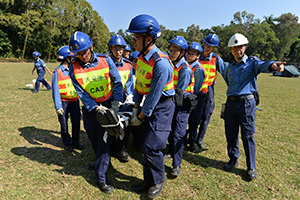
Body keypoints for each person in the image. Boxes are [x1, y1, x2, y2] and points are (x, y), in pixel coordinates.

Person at [217, 33, 285, 180]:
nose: (237, 50)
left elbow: (265, 65)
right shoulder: (230, 67)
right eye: (234, 48)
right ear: (231, 50)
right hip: (230, 103)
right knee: (231, 134)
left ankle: (251, 166)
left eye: (240, 47)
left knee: (247, 136)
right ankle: (233, 159)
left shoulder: (252, 63)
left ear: (245, 47)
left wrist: (274, 65)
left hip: (246, 104)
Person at [68, 31, 123, 193]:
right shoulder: (73, 66)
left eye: (84, 52)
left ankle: (101, 178)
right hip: (91, 108)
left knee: (104, 139)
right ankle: (101, 160)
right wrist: (95, 107)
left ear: (91, 47)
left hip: (108, 104)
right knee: (93, 137)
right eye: (78, 54)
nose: (82, 57)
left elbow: (117, 81)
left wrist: (115, 102)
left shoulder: (106, 60)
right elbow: (81, 91)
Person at [127, 14, 175, 198]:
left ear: (149, 38)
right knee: (144, 146)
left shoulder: (161, 64)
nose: (134, 41)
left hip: (162, 106)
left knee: (152, 147)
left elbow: (155, 96)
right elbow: (139, 84)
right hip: (148, 104)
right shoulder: (140, 58)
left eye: (136, 37)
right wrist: (135, 105)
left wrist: (140, 116)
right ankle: (148, 180)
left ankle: (158, 180)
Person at [166, 36, 194, 177]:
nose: (171, 52)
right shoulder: (171, 65)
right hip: (173, 102)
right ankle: (171, 153)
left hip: (181, 105)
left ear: (182, 52)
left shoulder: (185, 69)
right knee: (171, 131)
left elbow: (179, 92)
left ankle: (176, 165)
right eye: (170, 49)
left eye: (175, 50)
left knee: (178, 134)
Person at [107, 34, 134, 162]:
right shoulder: (106, 64)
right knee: (110, 123)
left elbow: (129, 82)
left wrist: (130, 96)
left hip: (124, 98)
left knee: (125, 124)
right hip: (110, 97)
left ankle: (122, 150)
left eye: (121, 49)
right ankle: (110, 148)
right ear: (110, 49)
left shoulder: (128, 65)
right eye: (115, 49)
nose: (118, 52)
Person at [51, 45, 83, 152]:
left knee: (76, 122)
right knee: (64, 123)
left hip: (74, 101)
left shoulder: (75, 70)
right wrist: (58, 106)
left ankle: (76, 142)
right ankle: (66, 143)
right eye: (73, 58)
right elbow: (55, 90)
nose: (75, 60)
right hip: (63, 102)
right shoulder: (57, 72)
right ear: (67, 58)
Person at [197, 34, 226, 149]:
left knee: (206, 114)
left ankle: (199, 139)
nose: (207, 48)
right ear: (204, 44)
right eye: (206, 45)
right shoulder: (196, 55)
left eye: (211, 46)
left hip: (209, 89)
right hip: (196, 88)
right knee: (194, 115)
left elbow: (226, 74)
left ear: (214, 48)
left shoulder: (216, 59)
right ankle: (190, 137)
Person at [185, 42, 207, 153]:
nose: (189, 56)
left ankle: (192, 142)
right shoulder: (186, 65)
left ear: (198, 56)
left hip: (197, 98)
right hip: (189, 96)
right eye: (188, 53)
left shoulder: (197, 69)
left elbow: (196, 87)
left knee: (194, 121)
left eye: (192, 54)